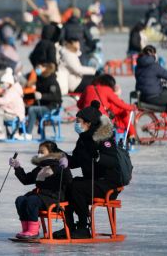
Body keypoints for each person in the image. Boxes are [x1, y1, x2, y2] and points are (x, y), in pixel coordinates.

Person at [54, 101, 122, 239]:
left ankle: (83, 228)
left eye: (78, 121)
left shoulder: (103, 137)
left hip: (108, 184)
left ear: (88, 123)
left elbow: (114, 161)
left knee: (77, 188)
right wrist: (61, 155)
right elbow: (76, 161)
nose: (76, 124)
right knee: (68, 185)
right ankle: (69, 226)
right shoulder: (83, 139)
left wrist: (98, 157)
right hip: (92, 181)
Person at [10, 141, 72, 239]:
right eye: (38, 152)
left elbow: (68, 181)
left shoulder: (59, 166)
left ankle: (33, 231)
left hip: (53, 199)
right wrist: (17, 168)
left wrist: (65, 168)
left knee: (32, 200)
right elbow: (26, 180)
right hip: (40, 197)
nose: (39, 154)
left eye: (42, 152)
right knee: (20, 200)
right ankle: (26, 229)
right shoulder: (40, 167)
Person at [78, 74, 136, 142]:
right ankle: (131, 134)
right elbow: (119, 104)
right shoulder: (106, 89)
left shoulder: (88, 88)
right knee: (122, 113)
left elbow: (79, 104)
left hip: (85, 119)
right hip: (101, 120)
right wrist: (132, 107)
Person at [15, 63, 62, 140]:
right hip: (41, 105)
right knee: (23, 108)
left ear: (45, 68)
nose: (37, 70)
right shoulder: (39, 79)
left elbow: (55, 97)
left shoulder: (52, 81)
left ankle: (28, 133)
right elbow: (36, 95)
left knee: (32, 110)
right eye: (36, 67)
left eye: (39, 68)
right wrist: (23, 96)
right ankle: (20, 132)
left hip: (51, 107)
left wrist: (42, 96)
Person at [0, 68, 25, 140]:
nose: (2, 84)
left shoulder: (13, 91)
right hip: (9, 111)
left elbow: (5, 101)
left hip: (16, 115)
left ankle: (1, 132)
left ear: (9, 83)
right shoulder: (8, 90)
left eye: (3, 82)